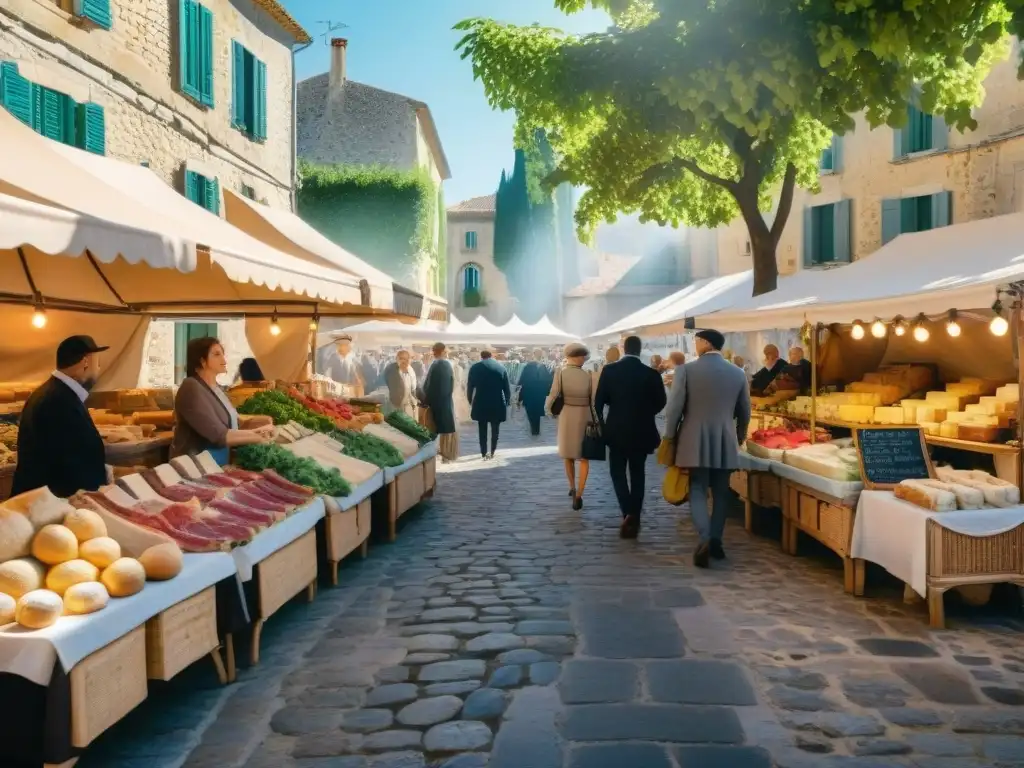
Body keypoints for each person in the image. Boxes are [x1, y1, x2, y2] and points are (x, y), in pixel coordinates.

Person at [664, 329, 751, 568]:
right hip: (725, 438)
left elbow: (674, 409)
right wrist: (740, 436)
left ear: (704, 342)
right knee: (722, 492)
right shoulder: (737, 373)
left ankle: (704, 537)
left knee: (698, 488)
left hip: (693, 438)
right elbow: (745, 411)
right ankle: (716, 540)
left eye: (696, 341)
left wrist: (670, 437)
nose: (695, 345)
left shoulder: (686, 371)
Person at [13, 335, 112, 498]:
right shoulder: (57, 400)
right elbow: (69, 464)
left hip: (46, 500)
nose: (99, 369)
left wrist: (106, 472)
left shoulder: (54, 393)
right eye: (98, 363)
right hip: (48, 505)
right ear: (85, 362)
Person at [595, 335, 668, 538]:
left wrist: (602, 422)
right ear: (640, 349)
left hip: (616, 429)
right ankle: (634, 514)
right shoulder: (651, 373)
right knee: (638, 474)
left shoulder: (609, 371)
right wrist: (646, 412)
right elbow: (661, 401)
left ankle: (627, 511)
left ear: (623, 348)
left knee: (617, 472)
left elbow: (598, 402)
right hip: (642, 430)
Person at [171, 337, 274, 463]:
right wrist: (258, 437)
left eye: (222, 354)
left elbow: (234, 423)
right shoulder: (191, 387)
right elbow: (219, 435)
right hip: (195, 466)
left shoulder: (217, 388)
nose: (224, 360)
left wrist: (259, 428)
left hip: (216, 463)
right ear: (202, 361)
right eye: (216, 354)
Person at [546, 342, 596, 510]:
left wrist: (549, 411)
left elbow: (553, 395)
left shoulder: (560, 373)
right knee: (584, 456)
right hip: (585, 415)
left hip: (567, 414)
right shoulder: (589, 375)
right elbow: (593, 400)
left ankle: (572, 487)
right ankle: (580, 493)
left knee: (568, 455)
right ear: (579, 358)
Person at [467, 349, 510, 460]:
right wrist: (508, 401)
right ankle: (493, 451)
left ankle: (483, 451)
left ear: (481, 356)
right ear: (491, 356)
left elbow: (470, 386)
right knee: (495, 428)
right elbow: (506, 388)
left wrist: (469, 400)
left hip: (481, 401)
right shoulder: (501, 368)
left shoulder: (475, 368)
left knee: (482, 428)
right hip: (497, 402)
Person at [422, 342, 459, 462]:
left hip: (439, 402)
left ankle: (444, 454)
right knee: (442, 430)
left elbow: (430, 385)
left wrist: (426, 399)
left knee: (440, 430)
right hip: (441, 403)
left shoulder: (438, 364)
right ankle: (445, 454)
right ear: (443, 351)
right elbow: (445, 387)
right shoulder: (442, 364)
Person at [518, 348, 551, 437]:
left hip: (529, 392)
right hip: (540, 392)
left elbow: (522, 380)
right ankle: (536, 428)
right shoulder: (543, 367)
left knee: (530, 411)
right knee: (537, 410)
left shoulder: (528, 366)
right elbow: (549, 380)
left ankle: (534, 428)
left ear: (533, 354)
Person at [384, 350, 418, 418]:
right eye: (401, 358)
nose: (403, 361)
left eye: (406, 359)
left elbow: (413, 386)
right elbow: (391, 386)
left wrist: (414, 400)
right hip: (395, 403)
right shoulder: (391, 369)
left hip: (408, 403)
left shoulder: (410, 370)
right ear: (396, 358)